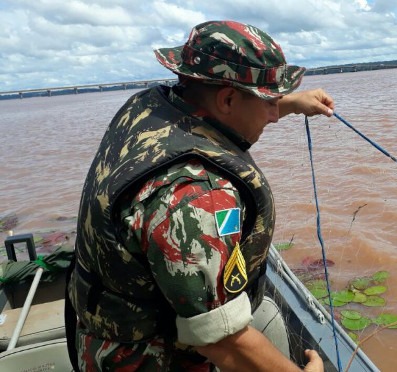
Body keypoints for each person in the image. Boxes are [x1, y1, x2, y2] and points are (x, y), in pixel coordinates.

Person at [65, 20, 334, 371]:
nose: (274, 115)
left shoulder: (150, 106)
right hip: (145, 359)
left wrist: (292, 103)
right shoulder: (194, 195)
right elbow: (220, 339)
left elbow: (218, 112)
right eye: (269, 101)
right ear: (227, 98)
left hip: (98, 327)